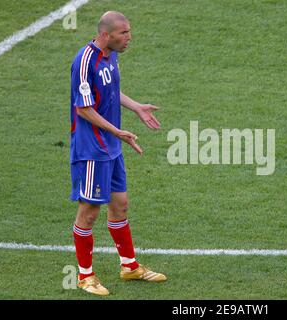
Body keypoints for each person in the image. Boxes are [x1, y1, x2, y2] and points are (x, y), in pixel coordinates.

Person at [69, 11, 165, 296]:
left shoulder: (110, 56)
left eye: (129, 31)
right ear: (106, 34)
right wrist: (117, 132)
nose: (129, 38)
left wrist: (135, 106)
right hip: (92, 149)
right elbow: (83, 109)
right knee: (89, 212)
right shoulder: (84, 62)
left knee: (120, 204)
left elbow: (111, 90)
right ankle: (85, 276)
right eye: (123, 33)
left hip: (110, 146)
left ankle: (129, 266)